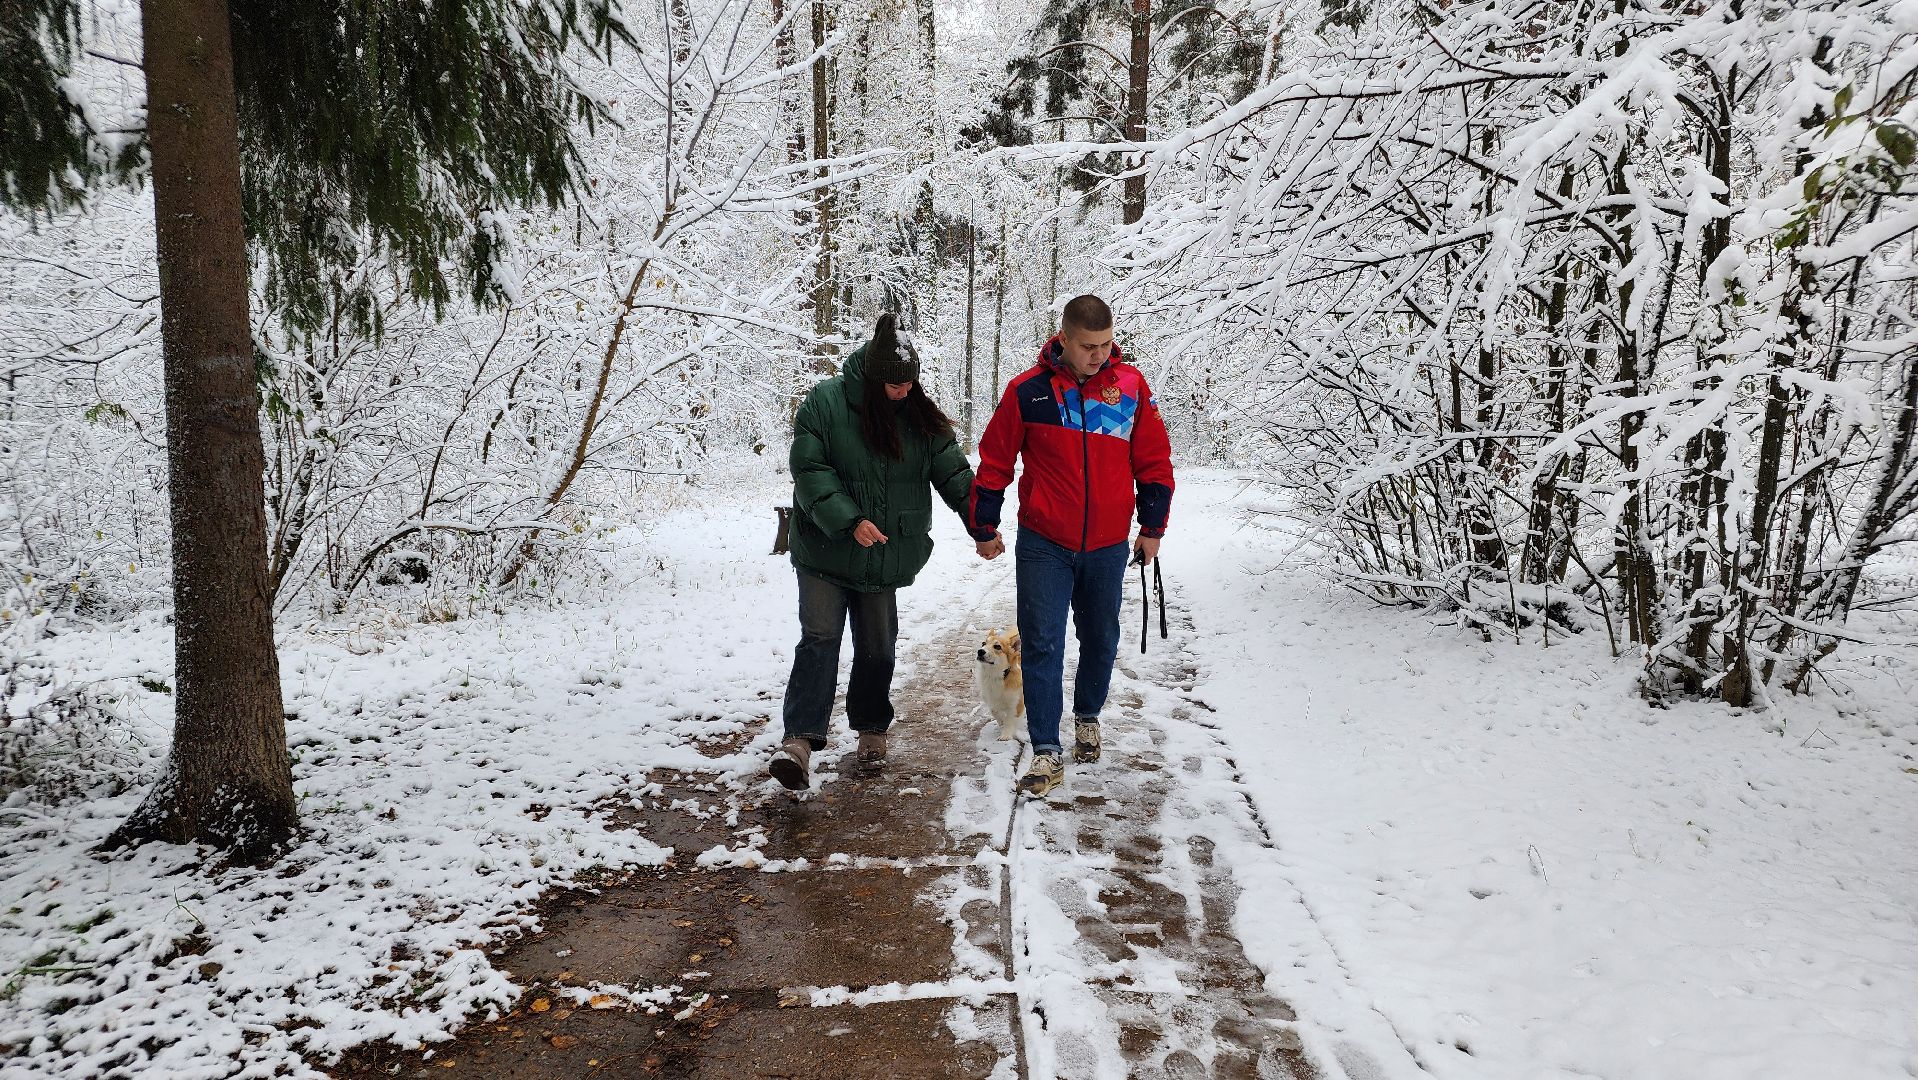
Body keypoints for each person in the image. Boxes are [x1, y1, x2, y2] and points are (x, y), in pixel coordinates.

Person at [967, 294, 1174, 798]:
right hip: (1044, 542)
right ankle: (1045, 751)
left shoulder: (1129, 389)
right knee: (1041, 643)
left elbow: (1153, 462)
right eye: (1088, 346)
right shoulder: (1029, 392)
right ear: (1063, 339)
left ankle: (1087, 717)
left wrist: (1152, 528)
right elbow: (995, 460)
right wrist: (984, 526)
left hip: (1105, 544)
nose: (1099, 356)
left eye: (1106, 345)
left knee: (1101, 639)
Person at [772, 313, 978, 790]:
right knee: (820, 638)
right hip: (827, 546)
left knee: (877, 645)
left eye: (911, 383)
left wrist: (980, 524)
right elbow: (809, 468)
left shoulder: (919, 416)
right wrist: (849, 520)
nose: (905, 392)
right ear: (872, 377)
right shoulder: (824, 403)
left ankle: (870, 728)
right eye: (895, 385)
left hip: (884, 553)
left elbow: (953, 474)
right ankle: (799, 742)